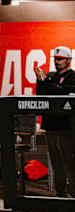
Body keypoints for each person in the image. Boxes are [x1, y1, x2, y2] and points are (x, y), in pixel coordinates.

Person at [35, 46, 75, 198]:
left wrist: (46, 81)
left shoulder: (72, 77)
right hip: (51, 125)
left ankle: (73, 193)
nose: (57, 62)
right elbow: (41, 94)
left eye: (61, 59)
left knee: (69, 162)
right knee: (56, 162)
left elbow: (62, 93)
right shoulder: (51, 76)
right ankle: (60, 193)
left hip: (66, 126)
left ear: (68, 60)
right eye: (55, 59)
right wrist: (40, 81)